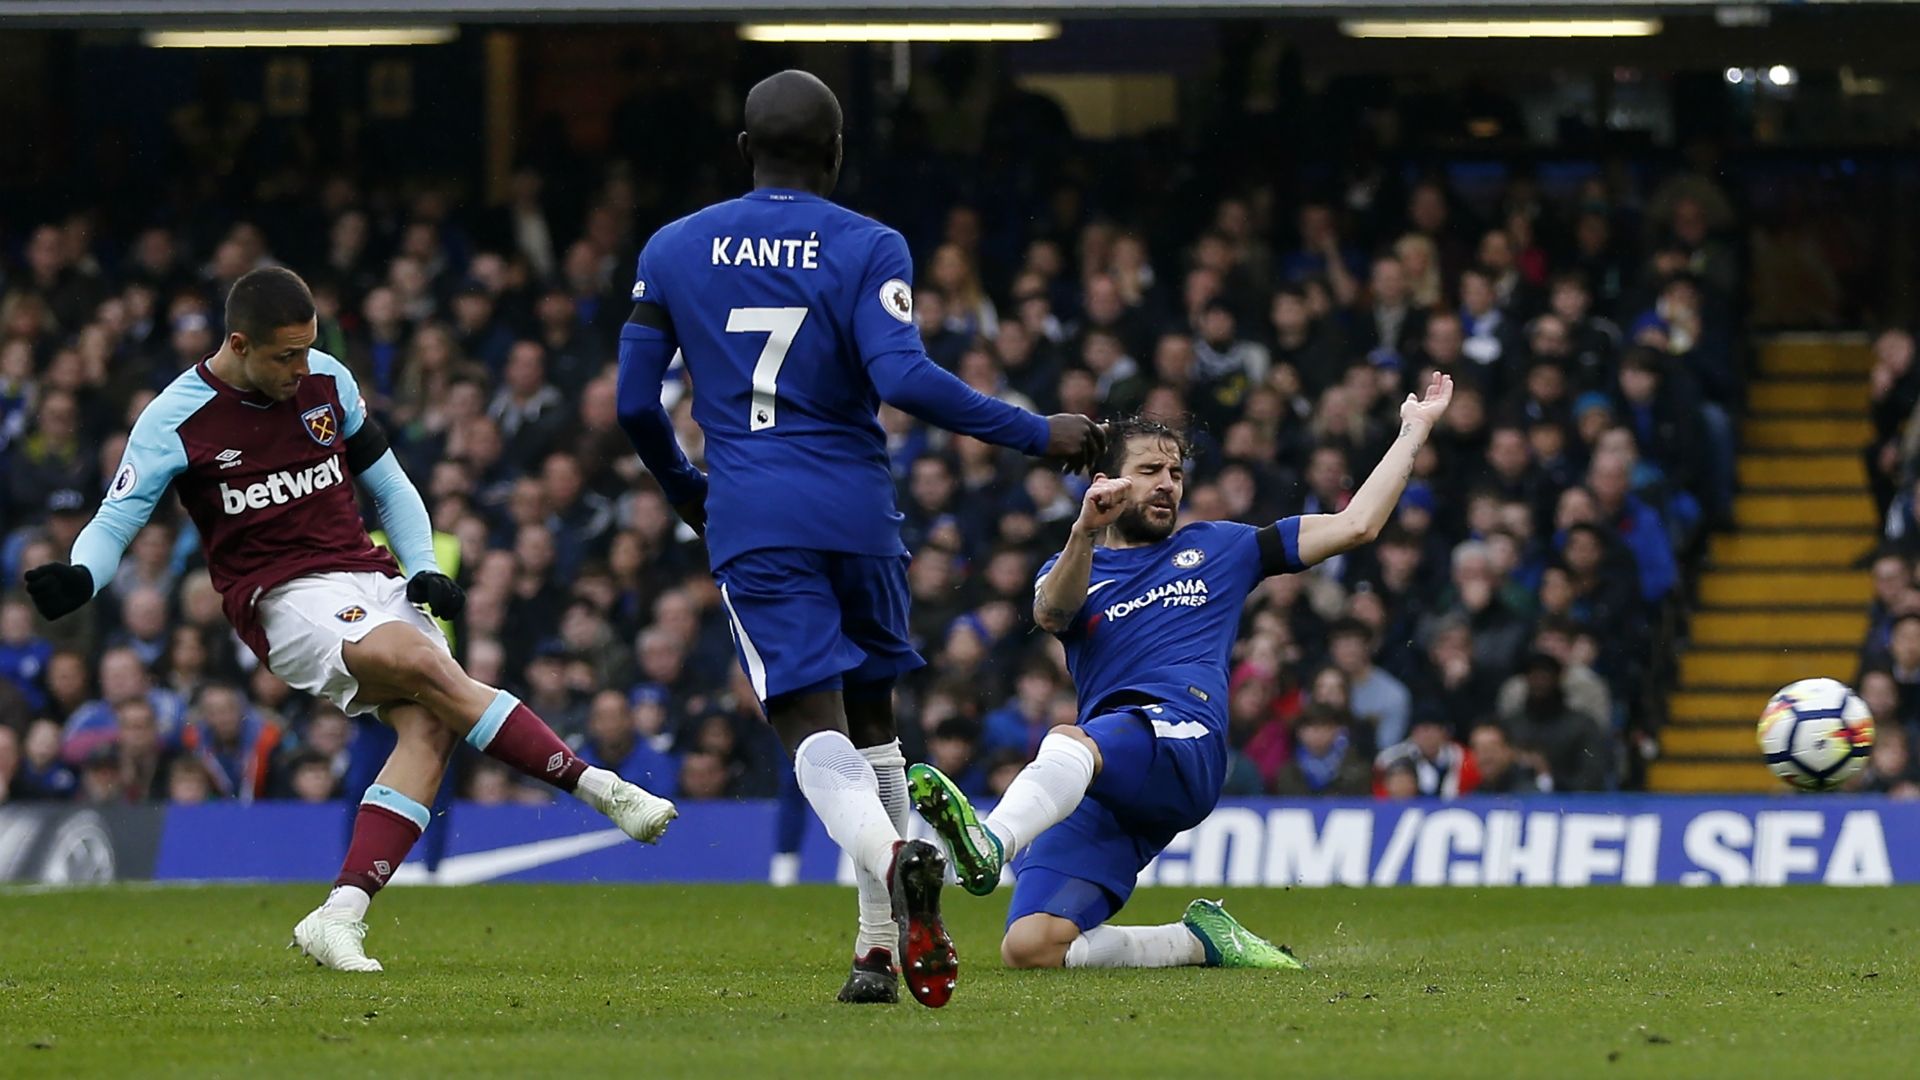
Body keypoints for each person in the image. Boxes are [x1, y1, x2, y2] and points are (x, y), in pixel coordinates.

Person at [611, 69, 1104, 1009]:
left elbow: (636, 403)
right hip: (861, 517)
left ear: (744, 149)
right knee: (875, 730)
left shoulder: (673, 248)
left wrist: (689, 493)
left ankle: (893, 856)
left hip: (757, 519)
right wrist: (1037, 432)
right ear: (836, 153)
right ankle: (877, 949)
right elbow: (904, 379)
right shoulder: (870, 244)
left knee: (810, 727)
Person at [24, 267, 675, 972]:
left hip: (370, 576)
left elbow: (388, 482)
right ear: (239, 345)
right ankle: (600, 788)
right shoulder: (174, 418)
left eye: (308, 350)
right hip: (281, 598)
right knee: (424, 666)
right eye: (286, 356)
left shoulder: (327, 380)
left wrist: (422, 566)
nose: (301, 368)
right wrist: (83, 574)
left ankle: (340, 915)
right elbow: (116, 519)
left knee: (432, 724)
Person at [908, 373, 1453, 972]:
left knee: (1067, 739)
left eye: (1175, 472)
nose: (1167, 483)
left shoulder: (1221, 547)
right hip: (1109, 773)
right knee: (1031, 947)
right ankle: (1197, 941)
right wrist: (1083, 532)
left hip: (1181, 738)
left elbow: (1357, 525)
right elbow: (1051, 613)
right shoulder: (1074, 564)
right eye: (1149, 471)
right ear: (1105, 482)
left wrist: (1414, 429)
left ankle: (991, 841)